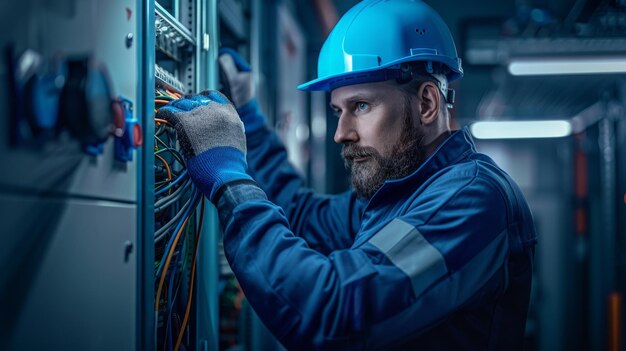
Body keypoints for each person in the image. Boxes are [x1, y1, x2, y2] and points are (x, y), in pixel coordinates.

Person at [157, 0, 537, 349]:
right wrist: (250, 123)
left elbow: (332, 315)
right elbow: (300, 215)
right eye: (339, 111)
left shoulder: (472, 200)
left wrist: (231, 185)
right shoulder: (404, 195)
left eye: (361, 105)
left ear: (426, 103)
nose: (342, 133)